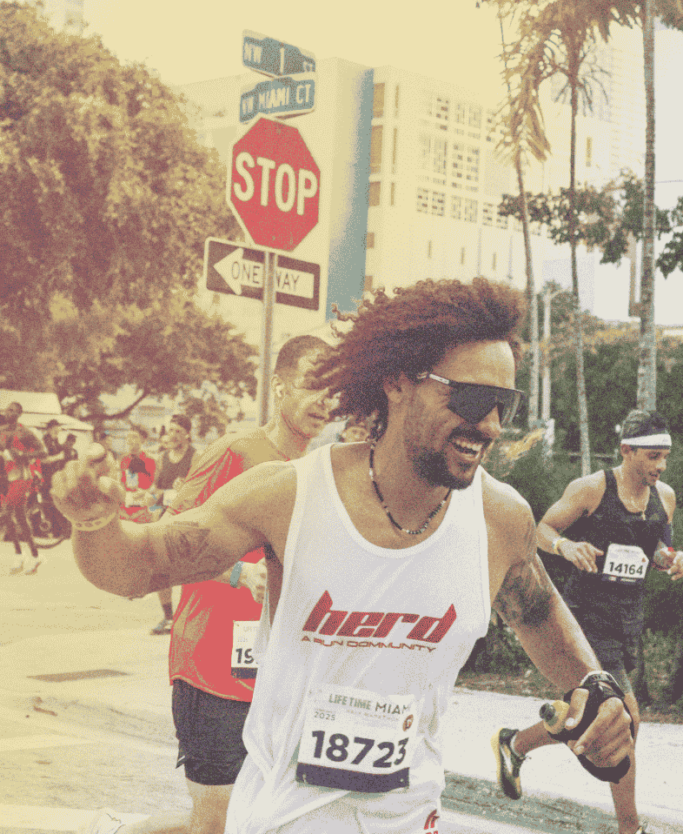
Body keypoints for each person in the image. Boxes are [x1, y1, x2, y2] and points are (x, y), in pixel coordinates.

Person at [54, 278, 634, 834]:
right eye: (471, 398)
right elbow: (134, 567)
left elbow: (542, 621)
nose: (487, 425)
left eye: (503, 404)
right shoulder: (289, 496)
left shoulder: (499, 520)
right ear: (398, 381)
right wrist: (94, 519)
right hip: (280, 821)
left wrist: (599, 696)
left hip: (411, 821)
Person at [79, 335, 332, 834]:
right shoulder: (236, 452)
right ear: (279, 387)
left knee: (257, 820)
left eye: (333, 388)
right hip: (210, 665)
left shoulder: (317, 471)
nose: (325, 400)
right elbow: (169, 536)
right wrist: (242, 573)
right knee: (215, 825)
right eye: (312, 384)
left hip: (273, 674)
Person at [491, 408, 682, 834]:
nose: (660, 466)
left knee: (592, 716)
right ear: (626, 451)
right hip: (584, 619)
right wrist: (565, 546)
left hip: (625, 620)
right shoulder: (592, 489)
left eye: (664, 458)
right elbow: (541, 529)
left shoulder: (663, 497)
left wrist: (673, 560)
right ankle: (629, 829)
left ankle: (515, 743)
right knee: (625, 719)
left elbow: (658, 549)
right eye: (652, 457)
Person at [118, 426, 173, 635]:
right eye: (128, 438)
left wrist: (149, 498)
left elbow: (155, 485)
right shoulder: (123, 460)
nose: (131, 442)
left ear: (142, 440)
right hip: (128, 506)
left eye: (135, 438)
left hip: (148, 508)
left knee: (150, 553)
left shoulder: (151, 459)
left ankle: (168, 613)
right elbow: (122, 480)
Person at [0, 411, 44, 574]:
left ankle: (22, 555)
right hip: (7, 482)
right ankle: (31, 555)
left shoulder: (13, 439)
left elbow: (33, 455)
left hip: (18, 480)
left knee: (6, 515)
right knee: (19, 519)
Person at [146, 414, 195, 520]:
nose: (172, 435)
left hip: (184, 518)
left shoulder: (195, 457)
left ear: (187, 434)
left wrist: (185, 488)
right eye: (171, 430)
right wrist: (149, 495)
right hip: (162, 517)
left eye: (178, 431)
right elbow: (155, 488)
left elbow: (200, 492)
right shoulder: (162, 457)